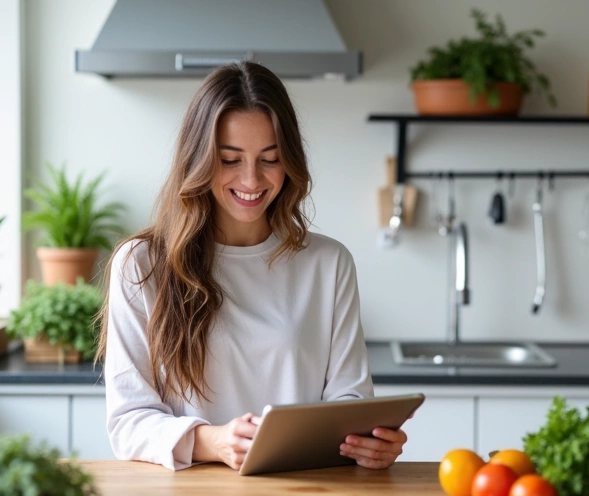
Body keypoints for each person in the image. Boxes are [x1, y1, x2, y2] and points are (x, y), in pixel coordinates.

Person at [95, 62, 408, 471]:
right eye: (229, 159)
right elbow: (128, 422)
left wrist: (369, 442)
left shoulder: (328, 264)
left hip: (304, 494)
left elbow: (350, 399)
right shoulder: (142, 265)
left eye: (269, 158)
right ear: (198, 160)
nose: (251, 179)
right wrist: (215, 440)